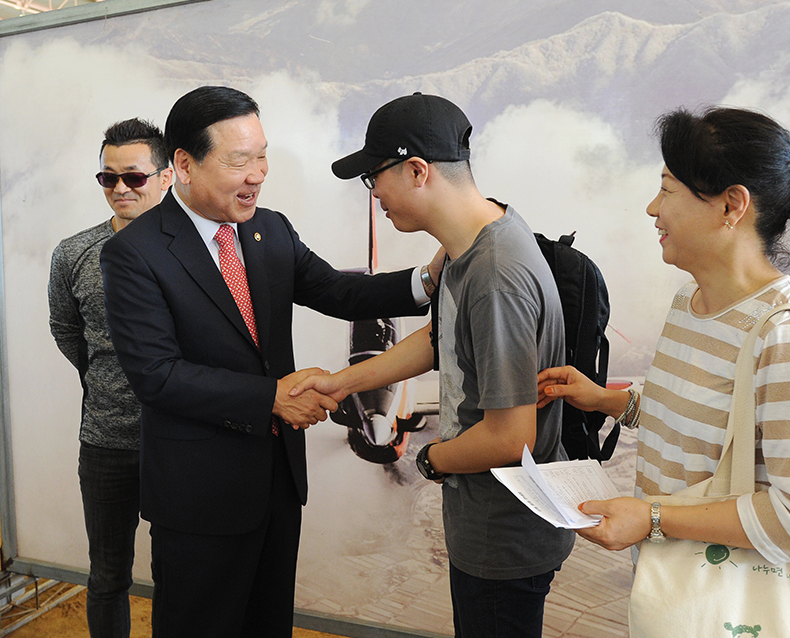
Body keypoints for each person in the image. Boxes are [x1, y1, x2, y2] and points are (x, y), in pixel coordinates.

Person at [99, 86, 437, 638]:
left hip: (277, 484)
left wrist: (427, 279)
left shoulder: (268, 230)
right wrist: (273, 398)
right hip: (200, 500)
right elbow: (156, 376)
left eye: (262, 156)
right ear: (184, 165)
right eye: (239, 160)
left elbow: (338, 292)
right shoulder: (135, 254)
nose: (257, 173)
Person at [291, 92, 575, 638]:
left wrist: (430, 462)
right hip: (486, 528)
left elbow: (508, 437)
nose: (374, 196)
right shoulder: (472, 243)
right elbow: (438, 338)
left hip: (503, 538)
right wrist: (340, 382)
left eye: (375, 178)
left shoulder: (495, 274)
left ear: (418, 171)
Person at [537, 107, 790, 565]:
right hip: (667, 587)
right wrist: (605, 400)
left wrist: (653, 518)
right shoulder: (688, 302)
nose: (653, 208)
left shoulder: (781, 335)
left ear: (732, 205)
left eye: (668, 189)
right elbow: (692, 423)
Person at [48, 118, 173, 638]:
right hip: (106, 441)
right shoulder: (74, 252)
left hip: (180, 439)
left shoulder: (195, 248)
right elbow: (68, 333)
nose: (120, 188)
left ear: (167, 177)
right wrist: (108, 382)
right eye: (108, 178)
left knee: (178, 574)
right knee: (106, 576)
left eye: (134, 177)